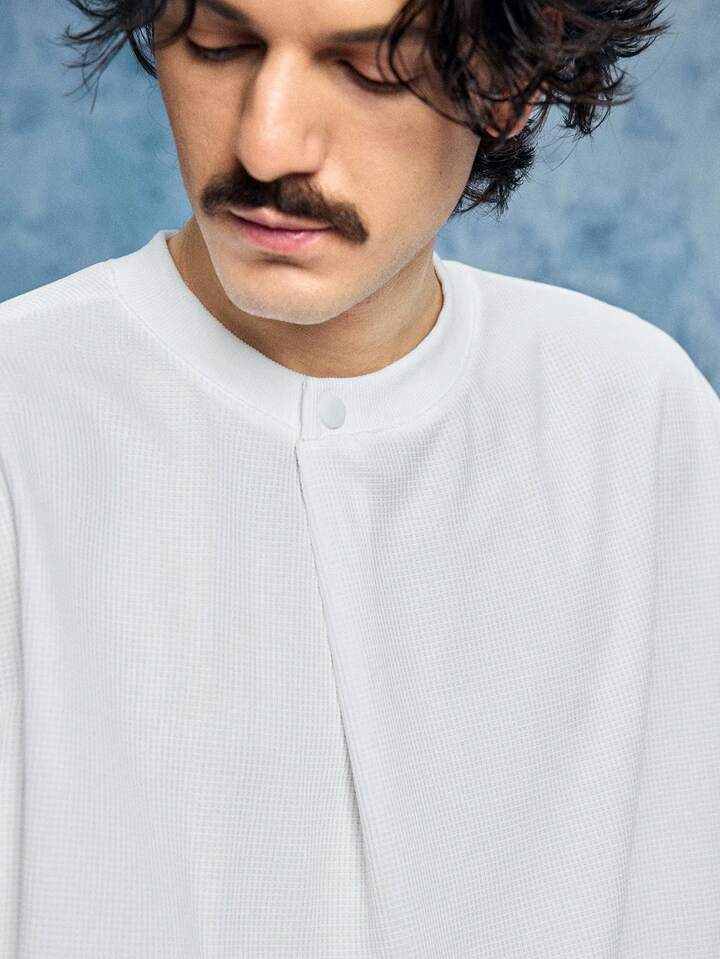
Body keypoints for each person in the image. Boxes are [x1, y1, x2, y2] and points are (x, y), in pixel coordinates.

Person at [2, 1, 718, 956]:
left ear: (514, 85)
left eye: (371, 69)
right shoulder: (21, 420)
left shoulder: (637, 421)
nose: (265, 146)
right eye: (218, 47)